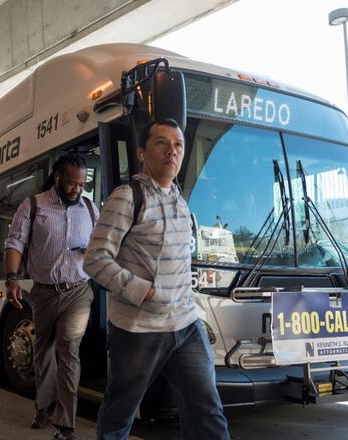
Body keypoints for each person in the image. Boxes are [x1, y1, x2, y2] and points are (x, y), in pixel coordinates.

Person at [84, 119, 230, 440]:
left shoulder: (179, 199)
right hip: (139, 329)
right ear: (141, 153)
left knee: (207, 410)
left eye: (178, 145)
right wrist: (143, 291)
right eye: (161, 143)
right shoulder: (127, 196)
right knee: (120, 411)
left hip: (186, 324)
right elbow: (95, 260)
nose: (172, 151)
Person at [4, 154, 99, 440]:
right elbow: (15, 243)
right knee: (44, 351)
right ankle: (44, 407)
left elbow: (104, 245)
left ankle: (66, 422)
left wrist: (92, 253)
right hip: (44, 292)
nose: (77, 189)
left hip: (79, 291)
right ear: (58, 178)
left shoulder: (92, 210)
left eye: (82, 184)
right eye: (72, 183)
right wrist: (12, 279)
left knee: (69, 350)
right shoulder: (33, 206)